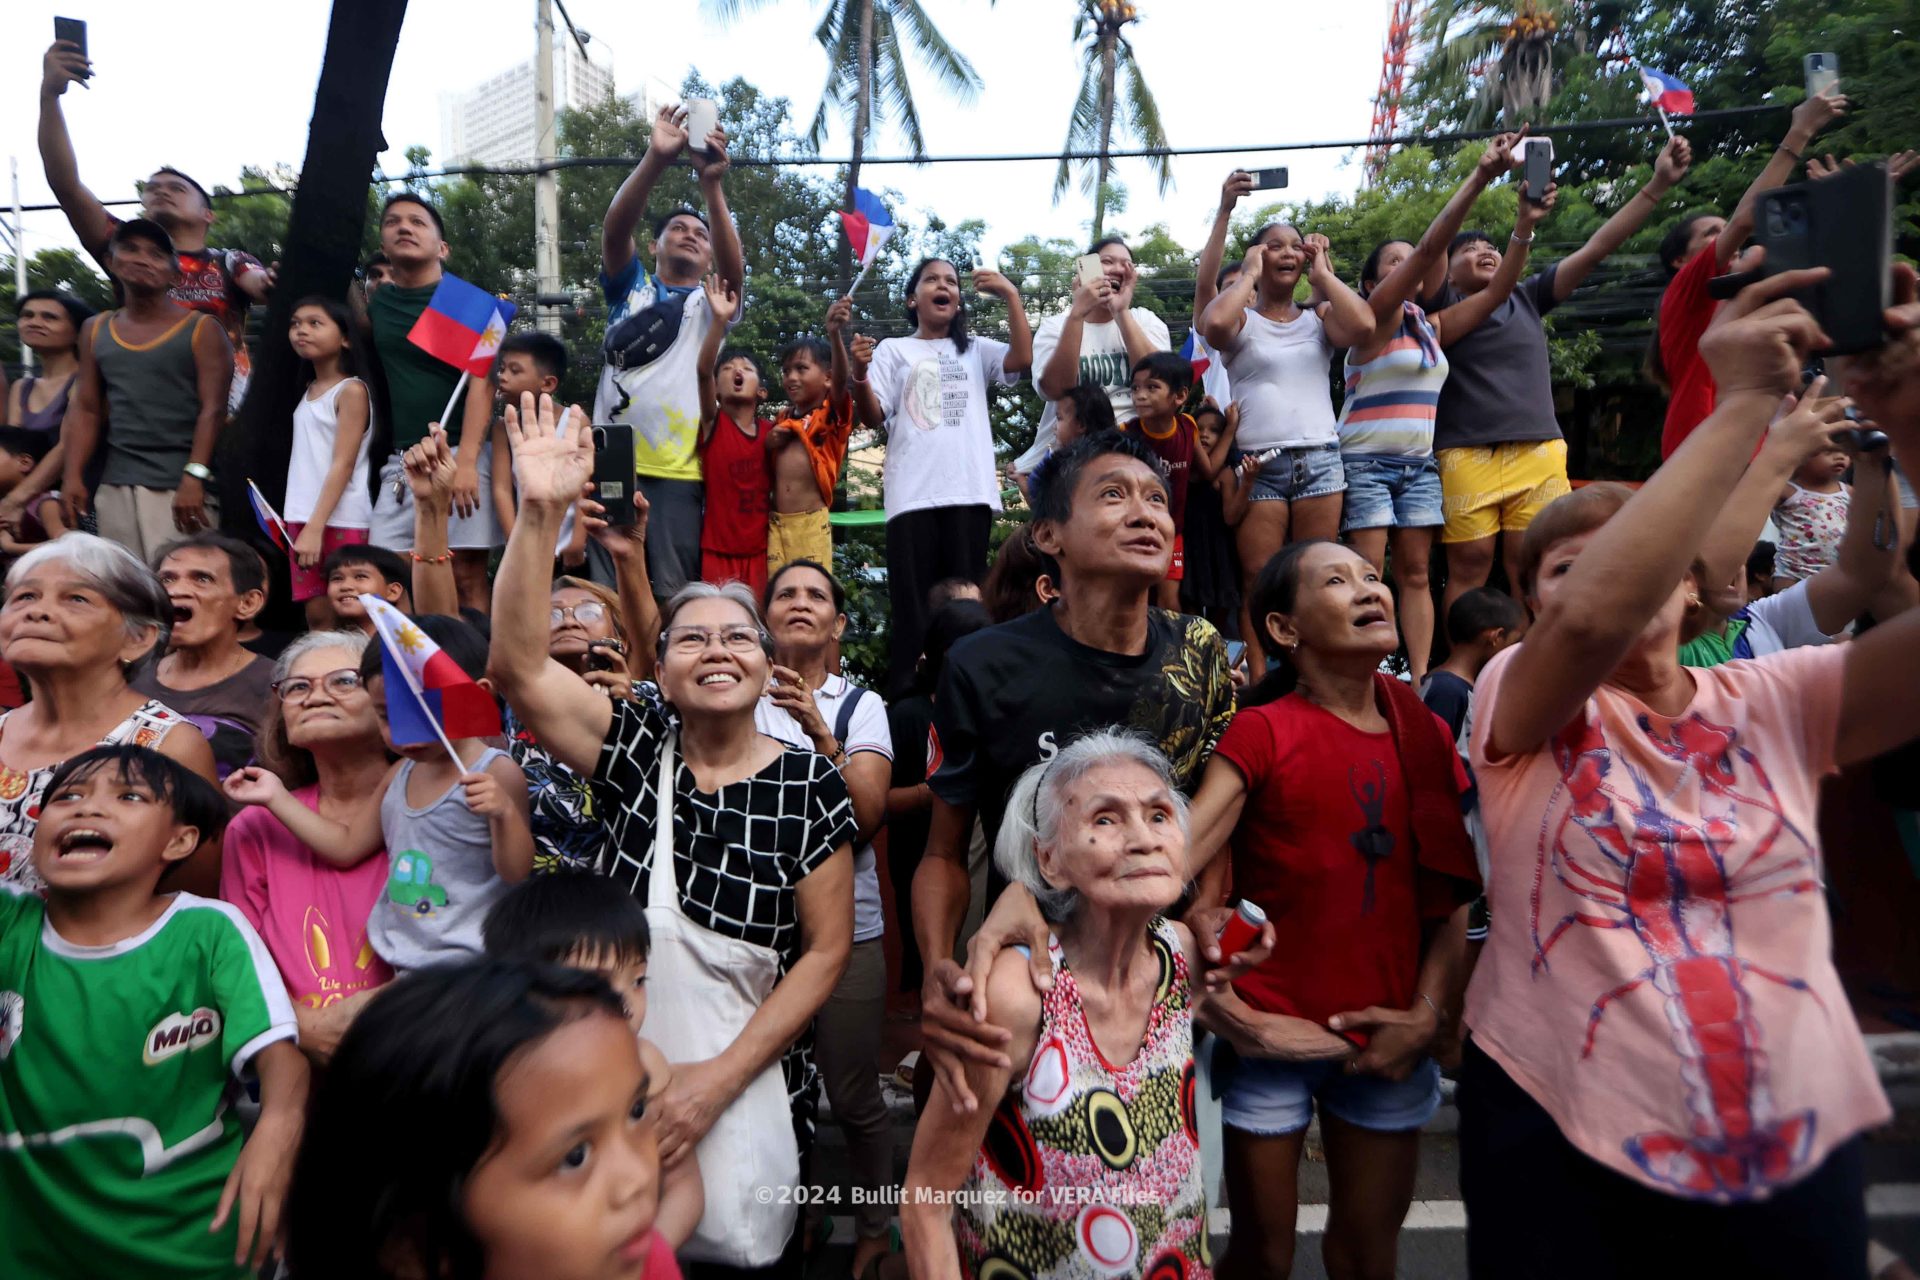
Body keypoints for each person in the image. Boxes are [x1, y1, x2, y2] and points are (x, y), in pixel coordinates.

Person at [1455, 270, 1920, 1277]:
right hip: (1559, 1121)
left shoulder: (1780, 694)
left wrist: (1904, 418)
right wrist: (1750, 399)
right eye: (1565, 564)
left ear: (1693, 575)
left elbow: (1888, 590)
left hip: (1790, 1125)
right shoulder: (1515, 700)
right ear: (1531, 608)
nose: (1605, 576)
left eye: (1631, 548)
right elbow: (1590, 624)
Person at [491, 392, 854, 1277]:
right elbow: (516, 666)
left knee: (743, 1252)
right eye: (692, 638)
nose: (718, 649)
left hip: (752, 1080)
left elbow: (825, 953)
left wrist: (718, 1080)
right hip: (606, 1076)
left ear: (769, 666)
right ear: (659, 667)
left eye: (740, 636)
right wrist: (539, 517)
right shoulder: (633, 744)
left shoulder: (809, 779)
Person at [1171, 540, 1480, 1280]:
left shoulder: (1428, 734)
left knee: (1369, 1255)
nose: (1370, 589)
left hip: (1389, 1036)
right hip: (1269, 1038)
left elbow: (1455, 900)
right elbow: (1173, 861)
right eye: (1337, 581)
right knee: (1262, 1255)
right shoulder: (1262, 730)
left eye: (1373, 577)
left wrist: (1428, 1015)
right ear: (1285, 629)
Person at [912, 432, 1236, 1093]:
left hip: (1156, 978)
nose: (1146, 513)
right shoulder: (983, 665)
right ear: (1050, 536)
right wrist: (935, 970)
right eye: (1113, 496)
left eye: (1156, 498)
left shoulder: (1199, 652)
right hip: (1023, 972)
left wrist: (1210, 911)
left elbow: (1215, 803)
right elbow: (945, 852)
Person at [901, 733, 1259, 1280]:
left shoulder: (1180, 954)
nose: (1143, 838)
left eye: (1160, 815)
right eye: (1106, 820)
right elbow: (926, 1200)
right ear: (1049, 860)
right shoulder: (1019, 992)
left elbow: (1254, 1029)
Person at [0, 744, 306, 1279]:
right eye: (66, 796)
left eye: (128, 796)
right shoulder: (10, 924)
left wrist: (278, 1131)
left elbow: (283, 1064)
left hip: (197, 1248)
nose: (85, 808)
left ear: (180, 840)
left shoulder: (208, 931)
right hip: (30, 1252)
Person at [285, 959, 680, 1280]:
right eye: (575, 1156)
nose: (639, 1178)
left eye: (636, 1111)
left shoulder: (642, 1258)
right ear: (414, 1248)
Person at [1430, 135, 1694, 613]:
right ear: (1449, 275)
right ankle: (1464, 672)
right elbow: (1430, 247)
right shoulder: (1441, 309)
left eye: (1491, 245)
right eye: (1469, 250)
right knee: (1468, 566)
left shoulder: (1528, 297)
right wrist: (1483, 185)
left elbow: (1598, 247)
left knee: (1530, 564)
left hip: (1538, 449)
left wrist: (1657, 184)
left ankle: (1538, 662)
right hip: (1466, 451)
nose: (1483, 250)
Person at [1338, 131, 1542, 681]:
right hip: (1366, 463)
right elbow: (1432, 250)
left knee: (1415, 576)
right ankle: (1366, 674)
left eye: (1411, 259)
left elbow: (1498, 291)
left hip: (1419, 465)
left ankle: (1424, 679)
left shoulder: (1433, 327)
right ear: (1374, 280)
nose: (1410, 264)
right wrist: (1479, 176)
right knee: (1367, 575)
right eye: (1395, 261)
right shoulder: (1371, 320)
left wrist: (1523, 224)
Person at [225, 613, 533, 972]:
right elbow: (345, 846)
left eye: (422, 710)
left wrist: (504, 815)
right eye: (388, 716)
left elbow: (516, 872)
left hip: (479, 963)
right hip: (407, 964)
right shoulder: (401, 774)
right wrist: (275, 796)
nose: (405, 731)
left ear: (475, 696)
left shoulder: (494, 771)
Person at [755, 558, 895, 1278]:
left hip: (845, 935)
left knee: (851, 1094)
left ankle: (875, 1225)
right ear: (765, 618)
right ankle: (795, 1215)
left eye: (817, 595)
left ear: (839, 623)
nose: (801, 603)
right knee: (774, 1090)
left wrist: (819, 731)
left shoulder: (858, 706)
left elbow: (866, 818)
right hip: (751, 936)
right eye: (786, 594)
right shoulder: (731, 693)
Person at [483, 871, 707, 1248]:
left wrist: (648, 1260)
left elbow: (686, 1190)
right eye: (598, 985)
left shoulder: (646, 1068)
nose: (626, 1002)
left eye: (638, 980)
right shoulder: (500, 1086)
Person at [1197, 218, 1374, 675]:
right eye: (1274, 246)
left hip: (1319, 458)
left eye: (1297, 246)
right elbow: (1212, 322)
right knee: (1257, 577)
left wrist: (1325, 277)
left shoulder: (1320, 318)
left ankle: (1312, 673)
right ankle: (1258, 679)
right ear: (1258, 254)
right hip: (1261, 463)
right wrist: (1250, 273)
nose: (1288, 253)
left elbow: (1364, 325)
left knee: (1317, 575)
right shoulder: (1242, 321)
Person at [0, 534, 218, 894]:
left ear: (138, 639)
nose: (36, 611)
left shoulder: (167, 745)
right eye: (25, 596)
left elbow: (188, 904)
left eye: (76, 599)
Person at [855, 257, 1033, 695]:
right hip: (912, 498)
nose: (944, 286)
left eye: (951, 281)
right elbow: (872, 414)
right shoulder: (894, 349)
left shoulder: (975, 349)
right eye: (932, 279)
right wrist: (858, 374)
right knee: (913, 607)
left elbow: (1022, 358)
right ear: (913, 299)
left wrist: (1010, 294)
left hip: (968, 493)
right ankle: (909, 703)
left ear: (958, 300)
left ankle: (966, 692)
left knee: (968, 602)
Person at [220, 630, 394, 1059]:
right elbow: (238, 961)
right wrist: (304, 1026)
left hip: (420, 1047)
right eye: (298, 686)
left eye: (344, 680)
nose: (315, 695)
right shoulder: (256, 825)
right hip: (297, 1058)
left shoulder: (427, 804)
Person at [596, 104, 743, 600]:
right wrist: (656, 159)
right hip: (612, 462)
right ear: (654, 246)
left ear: (708, 258)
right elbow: (615, 232)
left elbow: (735, 275)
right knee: (606, 592)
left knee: (670, 595)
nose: (691, 235)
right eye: (678, 229)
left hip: (682, 472)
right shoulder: (629, 290)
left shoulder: (712, 304)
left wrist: (712, 185)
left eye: (701, 235)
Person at [1654, 89, 1848, 458]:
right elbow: (1746, 219)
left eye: (1722, 230)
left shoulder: (1749, 301)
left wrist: (1843, 208)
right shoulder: (1686, 291)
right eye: (1711, 233)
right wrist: (1800, 131)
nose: (1725, 237)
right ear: (1681, 262)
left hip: (1743, 459)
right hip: (1696, 456)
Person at [38, 42, 270, 325]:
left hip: (222, 372)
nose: (161, 191)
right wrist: (49, 96)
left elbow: (261, 285)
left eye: (177, 188)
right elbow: (66, 186)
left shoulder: (230, 261)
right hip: (137, 370)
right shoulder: (120, 244)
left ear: (208, 214)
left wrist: (274, 281)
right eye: (152, 189)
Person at [1678, 377, 1903, 667]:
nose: (1735, 563)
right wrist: (1780, 452)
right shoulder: (1657, 646)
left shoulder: (1764, 621)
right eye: (1716, 543)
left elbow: (1865, 571)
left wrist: (1873, 458)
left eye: (1740, 550)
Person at [60, 220, 233, 560]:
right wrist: (72, 475)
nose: (142, 259)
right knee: (126, 593)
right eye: (130, 249)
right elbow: (87, 408)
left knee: (181, 589)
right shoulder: (95, 329)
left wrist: (194, 476)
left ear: (175, 275)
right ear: (111, 262)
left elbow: (213, 409)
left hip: (181, 487)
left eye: (156, 254)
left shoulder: (202, 329)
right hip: (116, 482)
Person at [363, 193, 500, 610]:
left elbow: (483, 384)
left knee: (465, 575)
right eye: (393, 222)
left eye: (418, 222)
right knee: (390, 572)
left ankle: (474, 664)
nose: (404, 227)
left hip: (460, 453)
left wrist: (466, 464)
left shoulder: (472, 304)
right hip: (402, 460)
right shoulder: (377, 304)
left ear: (442, 248)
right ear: (384, 245)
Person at [887, 597, 992, 998]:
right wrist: (937, 790)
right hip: (922, 856)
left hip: (976, 857)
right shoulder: (909, 715)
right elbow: (878, 802)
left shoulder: (989, 709)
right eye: (964, 648)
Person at [1015, 235, 1172, 475]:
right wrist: (1077, 314)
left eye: (1126, 264)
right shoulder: (1056, 327)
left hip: (1138, 451)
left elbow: (1162, 381)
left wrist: (1120, 312)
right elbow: (1053, 390)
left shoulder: (1145, 321)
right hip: (1074, 457)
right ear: (1085, 270)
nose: (1118, 269)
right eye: (1108, 261)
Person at [136, 534, 277, 779]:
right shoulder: (130, 678)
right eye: (167, 579)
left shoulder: (276, 685)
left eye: (202, 578)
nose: (176, 590)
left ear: (247, 603)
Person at [285, 296, 374, 629]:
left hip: (338, 520)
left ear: (346, 338)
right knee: (317, 617)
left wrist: (315, 526)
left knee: (350, 616)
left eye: (314, 323)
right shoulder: (308, 389)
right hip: (303, 518)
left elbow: (343, 464)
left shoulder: (350, 391)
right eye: (295, 324)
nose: (301, 331)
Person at [767, 297, 863, 574]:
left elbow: (843, 381)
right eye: (786, 371)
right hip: (776, 522)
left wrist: (834, 334)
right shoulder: (782, 418)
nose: (791, 377)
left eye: (801, 369)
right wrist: (768, 443)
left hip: (810, 521)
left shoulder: (831, 415)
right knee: (776, 590)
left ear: (828, 378)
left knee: (809, 587)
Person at [694, 277, 771, 592]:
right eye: (727, 369)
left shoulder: (773, 432)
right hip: (717, 551)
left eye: (746, 369)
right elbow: (702, 371)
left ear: (762, 392)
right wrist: (720, 320)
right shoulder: (713, 424)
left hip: (761, 552)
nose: (737, 371)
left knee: (759, 629)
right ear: (716, 388)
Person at [0, 291, 95, 540]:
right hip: (32, 503)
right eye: (27, 315)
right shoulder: (23, 386)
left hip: (74, 500)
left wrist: (15, 500)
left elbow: (68, 445)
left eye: (49, 317)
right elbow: (14, 452)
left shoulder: (86, 381)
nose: (34, 322)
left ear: (76, 332)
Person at [1121, 351, 1210, 609]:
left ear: (1180, 396)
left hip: (1173, 532)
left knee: (1169, 599)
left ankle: (1170, 648)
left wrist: (1231, 429)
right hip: (1135, 528)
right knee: (1135, 596)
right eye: (1135, 388)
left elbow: (1208, 472)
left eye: (1152, 387)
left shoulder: (1188, 428)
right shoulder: (1128, 434)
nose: (1140, 395)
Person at [480, 330, 568, 544]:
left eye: (514, 371)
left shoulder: (574, 422)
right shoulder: (503, 429)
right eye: (501, 369)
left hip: (570, 541)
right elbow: (501, 489)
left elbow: (586, 487)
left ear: (547, 384)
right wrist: (515, 541)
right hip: (528, 538)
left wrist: (578, 540)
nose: (502, 377)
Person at [1419, 587, 1529, 748]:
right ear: (1496, 637)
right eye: (1514, 642)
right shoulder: (1446, 690)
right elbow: (1429, 753)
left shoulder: (1463, 688)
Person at [1181, 401, 1244, 625]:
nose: (1205, 435)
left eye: (1214, 430)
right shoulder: (1185, 471)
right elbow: (1206, 470)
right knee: (1190, 615)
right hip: (1190, 551)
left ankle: (1215, 657)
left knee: (1220, 619)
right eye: (1199, 429)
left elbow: (1231, 516)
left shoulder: (1226, 475)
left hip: (1219, 553)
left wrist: (1249, 482)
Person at [323, 543, 411, 634]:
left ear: (393, 591)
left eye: (360, 577)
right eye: (337, 578)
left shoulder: (410, 645)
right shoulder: (324, 646)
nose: (345, 586)